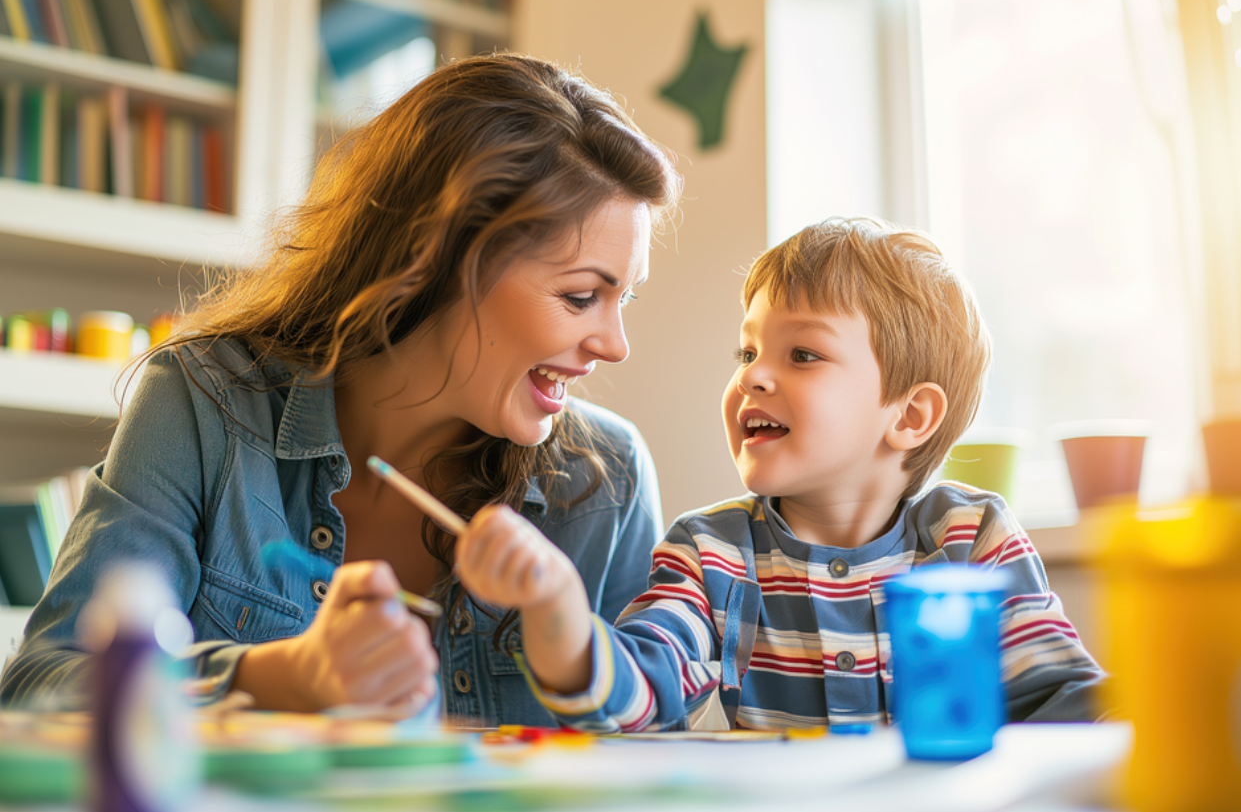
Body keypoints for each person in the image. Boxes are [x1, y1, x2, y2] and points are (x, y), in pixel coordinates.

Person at [1, 53, 681, 727]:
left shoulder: (605, 480)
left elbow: (656, 758)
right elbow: (43, 686)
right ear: (438, 258)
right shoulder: (204, 403)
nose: (613, 345)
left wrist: (574, 645)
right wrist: (283, 677)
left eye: (625, 299)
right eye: (581, 295)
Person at [455, 216, 1105, 731]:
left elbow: (1065, 700)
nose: (752, 375)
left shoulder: (972, 538)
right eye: (746, 350)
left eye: (801, 353)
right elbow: (642, 693)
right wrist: (558, 617)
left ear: (909, 415)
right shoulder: (710, 552)